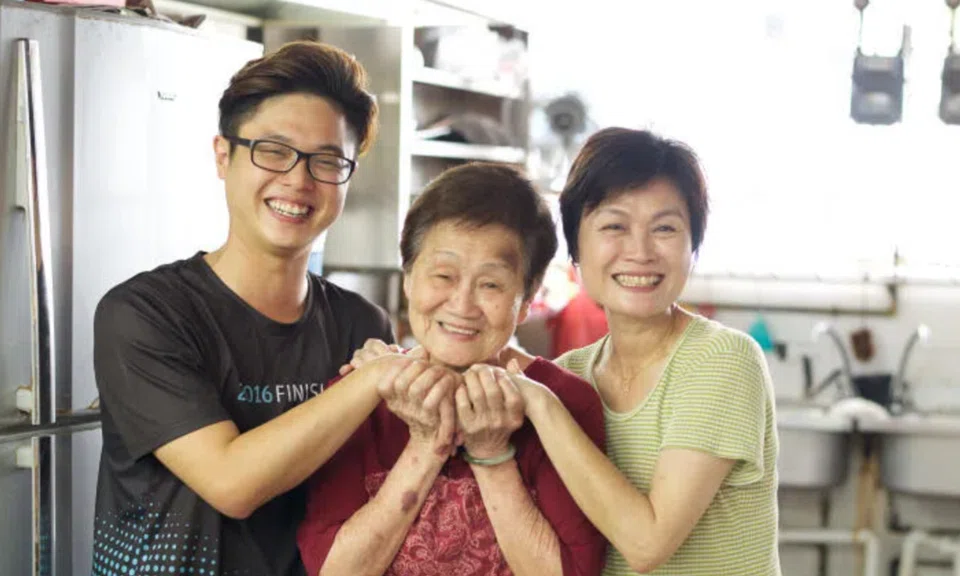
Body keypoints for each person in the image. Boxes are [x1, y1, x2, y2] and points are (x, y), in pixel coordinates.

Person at [90, 41, 431, 576]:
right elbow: (232, 483)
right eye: (273, 150)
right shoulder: (145, 314)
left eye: (327, 160)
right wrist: (371, 382)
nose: (298, 180)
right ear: (223, 156)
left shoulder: (362, 325)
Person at [296, 163, 607, 576]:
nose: (462, 305)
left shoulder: (566, 403)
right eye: (443, 275)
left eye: (491, 284)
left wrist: (492, 452)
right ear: (408, 278)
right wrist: (427, 444)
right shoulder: (358, 395)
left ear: (528, 295)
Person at [506, 128, 781, 575]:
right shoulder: (570, 374)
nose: (640, 251)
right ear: (577, 247)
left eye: (665, 229)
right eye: (614, 226)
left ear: (693, 247)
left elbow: (646, 545)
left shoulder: (724, 359)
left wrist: (540, 401)